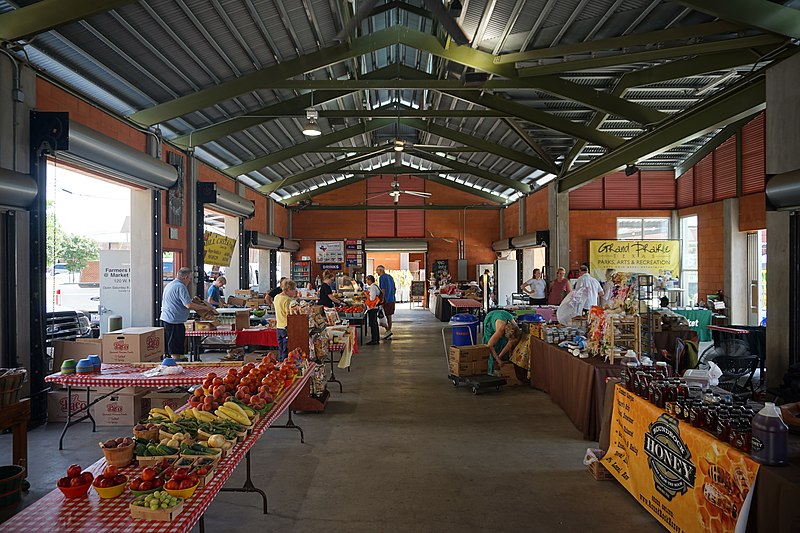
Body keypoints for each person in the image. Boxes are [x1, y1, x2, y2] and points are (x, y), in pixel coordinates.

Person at [160, 267, 210, 359]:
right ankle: (176, 362)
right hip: (174, 320)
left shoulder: (170, 285)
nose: (190, 281)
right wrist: (204, 308)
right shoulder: (180, 287)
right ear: (185, 277)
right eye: (190, 278)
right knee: (175, 345)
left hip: (167, 318)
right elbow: (188, 305)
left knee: (171, 344)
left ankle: (176, 359)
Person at [482, 308, 523, 375]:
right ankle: (490, 371)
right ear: (504, 333)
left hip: (504, 315)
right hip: (492, 318)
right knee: (491, 345)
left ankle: (500, 368)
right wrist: (497, 360)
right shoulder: (500, 330)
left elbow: (509, 344)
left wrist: (499, 357)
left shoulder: (515, 329)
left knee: (503, 343)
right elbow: (489, 345)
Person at [274, 280, 296, 361]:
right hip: (286, 327)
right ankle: (285, 369)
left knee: (281, 350)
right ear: (289, 289)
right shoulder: (287, 300)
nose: (294, 292)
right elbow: (289, 314)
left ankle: (280, 369)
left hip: (279, 327)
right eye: (294, 290)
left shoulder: (276, 297)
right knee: (286, 352)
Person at [376, 265, 396, 339]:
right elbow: (394, 288)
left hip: (386, 300)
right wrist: (392, 295)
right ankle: (388, 330)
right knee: (389, 316)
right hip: (392, 299)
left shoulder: (382, 277)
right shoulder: (390, 277)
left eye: (377, 271)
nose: (376, 272)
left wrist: (383, 299)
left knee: (385, 316)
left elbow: (383, 289)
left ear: (381, 270)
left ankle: (388, 331)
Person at [364, 275, 382, 345]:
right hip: (374, 307)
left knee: (373, 324)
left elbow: (372, 298)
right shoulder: (375, 286)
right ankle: (375, 339)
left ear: (370, 280)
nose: (366, 282)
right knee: (374, 323)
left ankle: (374, 339)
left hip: (373, 308)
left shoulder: (372, 287)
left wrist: (366, 294)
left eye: (367, 280)